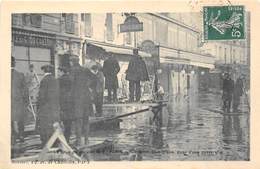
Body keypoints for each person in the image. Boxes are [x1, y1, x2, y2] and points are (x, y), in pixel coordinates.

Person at [70, 55, 94, 146]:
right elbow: (93, 78)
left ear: (72, 62)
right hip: (86, 97)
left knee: (78, 120)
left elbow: (71, 83)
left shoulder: (73, 70)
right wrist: (88, 86)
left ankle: (78, 140)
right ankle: (87, 140)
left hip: (77, 98)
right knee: (86, 120)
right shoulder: (85, 69)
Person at [37, 64, 60, 146]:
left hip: (45, 107)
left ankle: (45, 143)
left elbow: (42, 96)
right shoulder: (55, 80)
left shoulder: (44, 80)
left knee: (44, 125)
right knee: (54, 124)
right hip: (54, 106)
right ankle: (55, 141)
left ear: (44, 70)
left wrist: (39, 105)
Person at [11, 56, 29, 144]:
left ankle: (12, 137)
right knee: (20, 119)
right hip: (19, 103)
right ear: (14, 63)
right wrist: (26, 102)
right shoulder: (20, 75)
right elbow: (25, 91)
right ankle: (21, 135)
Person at [58, 66, 73, 142]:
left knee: (62, 121)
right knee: (68, 122)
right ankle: (67, 138)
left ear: (61, 71)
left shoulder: (59, 80)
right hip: (70, 103)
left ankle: (62, 139)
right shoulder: (70, 79)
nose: (58, 73)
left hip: (62, 102)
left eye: (58, 72)